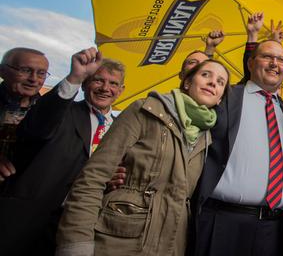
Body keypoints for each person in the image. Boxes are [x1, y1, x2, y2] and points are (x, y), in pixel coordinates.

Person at [56, 59, 229, 255]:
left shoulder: (206, 136)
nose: (213, 82)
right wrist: (76, 245)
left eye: (221, 81)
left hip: (170, 245)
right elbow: (92, 178)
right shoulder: (145, 110)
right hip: (119, 241)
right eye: (205, 75)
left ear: (220, 99)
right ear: (187, 82)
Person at [0, 48, 125, 255]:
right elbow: (38, 125)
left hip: (84, 226)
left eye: (113, 83)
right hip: (31, 223)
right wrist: (74, 76)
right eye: (98, 80)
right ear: (85, 84)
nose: (105, 88)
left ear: (121, 90)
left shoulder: (123, 128)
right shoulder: (61, 112)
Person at [192, 39, 283, 256]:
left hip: (275, 229)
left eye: (281, 60)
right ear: (250, 63)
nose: (275, 63)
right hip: (222, 223)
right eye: (267, 57)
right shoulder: (225, 97)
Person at [0, 48, 49, 165]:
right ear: (2, 71)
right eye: (25, 70)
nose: (33, 79)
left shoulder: (47, 111)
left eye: (41, 73)